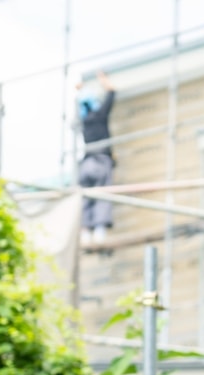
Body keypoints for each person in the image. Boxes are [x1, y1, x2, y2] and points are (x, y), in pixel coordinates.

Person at [76, 70, 116, 246]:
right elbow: (112, 93)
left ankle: (85, 231)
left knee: (86, 197)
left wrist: (78, 91)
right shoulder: (100, 115)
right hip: (101, 160)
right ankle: (99, 231)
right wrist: (103, 80)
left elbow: (77, 104)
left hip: (85, 164)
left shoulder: (84, 121)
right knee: (102, 195)